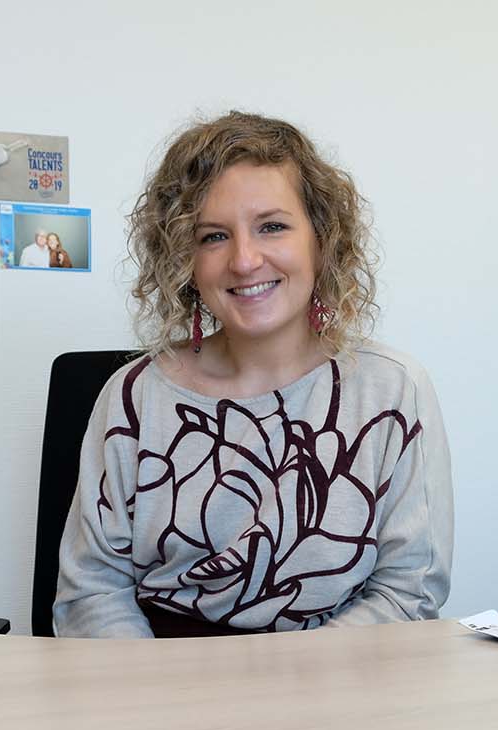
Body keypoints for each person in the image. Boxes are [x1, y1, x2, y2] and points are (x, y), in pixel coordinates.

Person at [53, 111, 453, 638]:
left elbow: (408, 591)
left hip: (339, 688)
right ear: (184, 259)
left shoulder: (393, 389)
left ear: (322, 240)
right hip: (158, 687)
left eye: (272, 227)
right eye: (214, 236)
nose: (244, 260)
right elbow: (93, 592)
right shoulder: (132, 396)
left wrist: (289, 699)